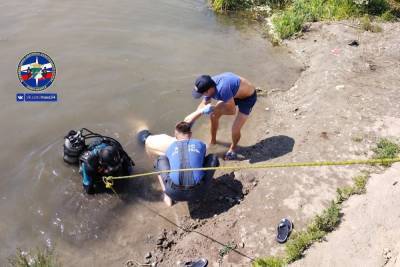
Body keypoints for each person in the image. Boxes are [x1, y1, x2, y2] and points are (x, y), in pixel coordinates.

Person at [139, 113, 219, 206]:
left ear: (175, 135)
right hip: (200, 192)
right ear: (191, 134)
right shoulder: (200, 144)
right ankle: (209, 181)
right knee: (212, 157)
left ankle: (167, 196)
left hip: (174, 194)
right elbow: (201, 160)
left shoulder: (171, 147)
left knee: (160, 160)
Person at [191, 72, 257, 160]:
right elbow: (204, 103)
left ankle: (233, 149)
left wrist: (214, 108)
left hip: (248, 98)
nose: (203, 96)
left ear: (209, 90)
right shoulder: (208, 84)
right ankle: (213, 140)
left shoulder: (222, 89)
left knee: (235, 129)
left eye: (203, 94)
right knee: (213, 115)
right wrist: (193, 118)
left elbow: (232, 111)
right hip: (233, 94)